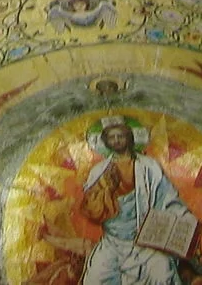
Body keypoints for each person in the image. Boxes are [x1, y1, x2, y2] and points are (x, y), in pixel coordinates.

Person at [78, 117, 193, 285]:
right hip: (113, 244)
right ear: (106, 141)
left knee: (162, 274)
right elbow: (91, 208)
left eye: (121, 136)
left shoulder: (149, 167)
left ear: (130, 138)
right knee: (94, 279)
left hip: (147, 242)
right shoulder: (98, 172)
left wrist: (186, 220)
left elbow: (168, 198)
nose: (116, 140)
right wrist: (105, 192)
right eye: (111, 137)